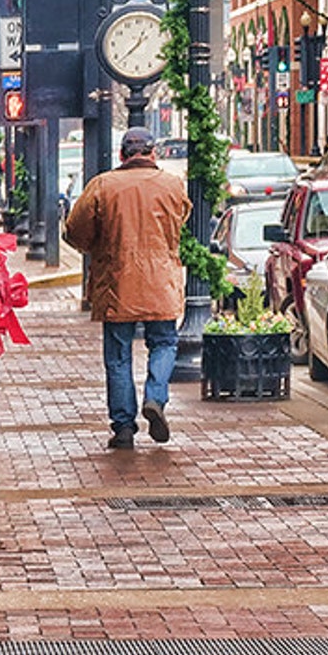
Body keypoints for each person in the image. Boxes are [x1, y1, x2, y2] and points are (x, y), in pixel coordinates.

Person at [63, 127, 190, 450]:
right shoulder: (172, 185)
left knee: (118, 357)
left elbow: (75, 231)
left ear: (122, 155)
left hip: (116, 280)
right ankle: (155, 397)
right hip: (160, 282)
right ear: (153, 153)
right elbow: (181, 222)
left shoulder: (102, 186)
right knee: (163, 343)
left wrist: (99, 245)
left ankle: (123, 427)